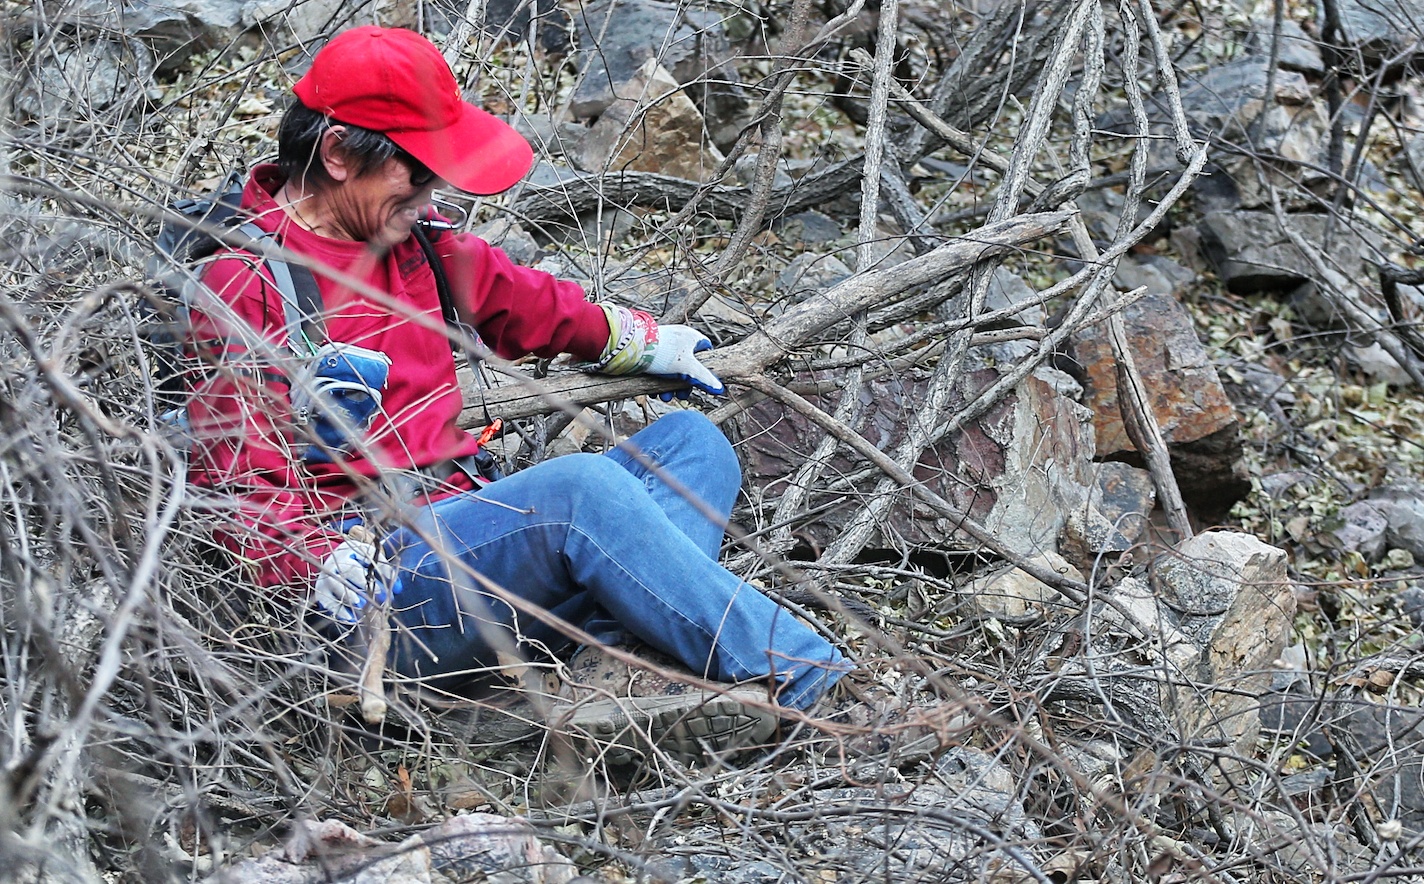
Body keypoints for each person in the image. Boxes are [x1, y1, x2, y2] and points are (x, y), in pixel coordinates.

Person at [184, 26, 846, 762]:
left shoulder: (419, 243)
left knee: (692, 447)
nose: (435, 194)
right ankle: (819, 684)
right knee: (579, 492)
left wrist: (639, 341)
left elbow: (529, 303)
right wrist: (315, 565)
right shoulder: (246, 282)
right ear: (338, 153)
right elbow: (238, 486)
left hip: (472, 538)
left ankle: (591, 679)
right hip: (382, 603)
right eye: (419, 173)